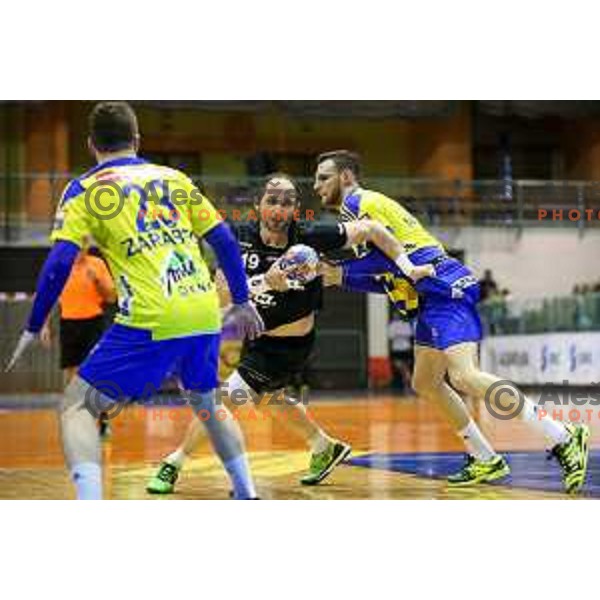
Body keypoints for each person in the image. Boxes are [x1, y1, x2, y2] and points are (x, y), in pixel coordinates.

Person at [6, 101, 264, 500]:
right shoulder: (174, 178)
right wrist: (243, 299)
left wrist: (33, 323)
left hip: (151, 317)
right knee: (206, 402)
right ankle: (246, 493)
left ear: (92, 145)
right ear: (137, 140)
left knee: (77, 406)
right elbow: (224, 241)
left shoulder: (84, 190)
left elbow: (59, 262)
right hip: (202, 311)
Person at [315, 149, 590, 494]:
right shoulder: (358, 214)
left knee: (464, 376)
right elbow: (387, 274)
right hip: (427, 299)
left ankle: (562, 436)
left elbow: (391, 257)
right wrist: (339, 276)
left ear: (345, 177)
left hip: (442, 286)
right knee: (426, 382)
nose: (316, 185)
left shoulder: (359, 203)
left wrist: (341, 271)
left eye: (323, 177)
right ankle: (484, 457)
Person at [147, 172, 431, 493]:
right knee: (270, 399)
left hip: (290, 345)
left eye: (287, 202)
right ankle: (324, 447)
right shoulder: (237, 238)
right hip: (256, 336)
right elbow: (219, 297)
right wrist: (265, 281)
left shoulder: (310, 235)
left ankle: (174, 462)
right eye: (272, 201)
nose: (279, 209)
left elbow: (373, 229)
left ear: (295, 209)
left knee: (221, 400)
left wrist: (408, 267)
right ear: (258, 205)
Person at [41, 242, 116, 437]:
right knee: (72, 376)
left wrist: (98, 281)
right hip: (69, 324)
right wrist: (44, 325)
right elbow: (49, 296)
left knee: (95, 374)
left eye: (84, 244)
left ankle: (103, 420)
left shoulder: (96, 264)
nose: (81, 248)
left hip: (93, 323)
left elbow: (111, 298)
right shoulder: (60, 266)